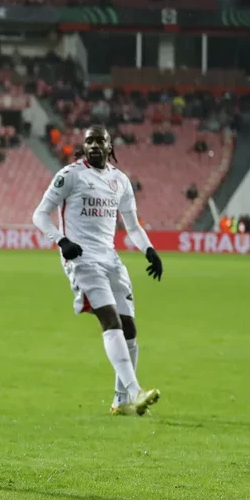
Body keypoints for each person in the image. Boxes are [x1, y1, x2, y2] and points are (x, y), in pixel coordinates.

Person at [31, 125, 162, 416]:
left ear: (109, 146)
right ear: (84, 145)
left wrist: (149, 250)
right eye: (89, 140)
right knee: (110, 320)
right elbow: (39, 214)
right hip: (82, 260)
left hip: (111, 260)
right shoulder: (70, 175)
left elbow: (132, 226)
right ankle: (135, 392)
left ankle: (121, 401)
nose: (93, 145)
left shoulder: (120, 180)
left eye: (99, 141)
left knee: (130, 328)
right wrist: (61, 240)